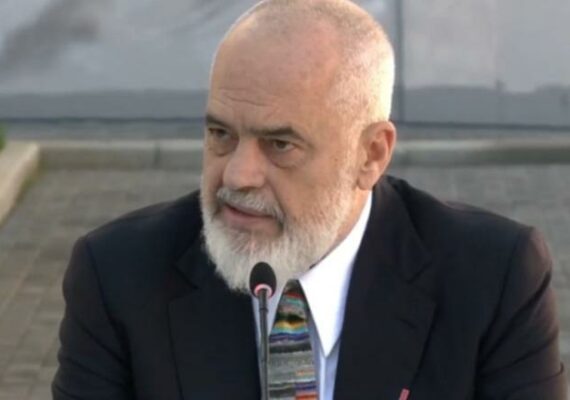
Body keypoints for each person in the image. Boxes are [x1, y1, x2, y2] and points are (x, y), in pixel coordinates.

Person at [52, 0, 567, 399]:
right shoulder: (118, 274)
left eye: (280, 144)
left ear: (371, 154)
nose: (238, 175)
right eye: (220, 134)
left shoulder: (493, 277)